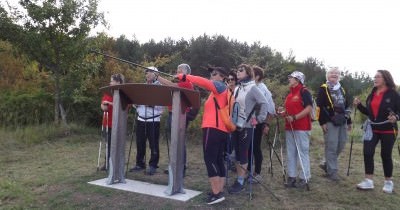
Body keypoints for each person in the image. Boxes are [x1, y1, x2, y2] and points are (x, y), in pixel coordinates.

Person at [175, 66, 229, 204]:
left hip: (213, 129)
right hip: (221, 130)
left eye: (215, 73)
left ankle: (216, 193)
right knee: (217, 160)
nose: (212, 75)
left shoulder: (220, 87)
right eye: (211, 73)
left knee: (210, 160)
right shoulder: (219, 91)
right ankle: (219, 191)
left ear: (222, 77)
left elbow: (203, 82)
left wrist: (185, 77)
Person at [353, 70, 400, 193]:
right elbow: (369, 112)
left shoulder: (393, 94)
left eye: (378, 77)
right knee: (367, 152)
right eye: (374, 77)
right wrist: (359, 105)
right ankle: (368, 181)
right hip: (372, 128)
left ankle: (388, 182)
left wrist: (396, 117)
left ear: (385, 79)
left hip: (388, 130)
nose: (375, 78)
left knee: (385, 155)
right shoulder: (372, 93)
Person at [228, 64, 268, 194]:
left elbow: (264, 103)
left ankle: (240, 180)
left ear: (248, 73)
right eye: (237, 70)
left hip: (247, 126)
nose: (238, 72)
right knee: (237, 154)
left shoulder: (252, 88)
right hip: (235, 125)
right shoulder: (238, 87)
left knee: (243, 155)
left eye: (241, 70)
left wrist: (259, 119)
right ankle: (240, 178)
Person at [316, 67, 352, 181]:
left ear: (339, 76)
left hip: (342, 120)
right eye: (332, 73)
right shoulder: (323, 88)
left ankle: (326, 163)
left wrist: (349, 121)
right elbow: (319, 106)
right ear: (327, 75)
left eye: (337, 73)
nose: (334, 75)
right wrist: (322, 122)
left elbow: (346, 106)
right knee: (331, 146)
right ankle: (332, 172)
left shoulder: (342, 89)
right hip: (329, 120)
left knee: (341, 144)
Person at [157, 64, 194, 176]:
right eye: (177, 70)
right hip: (172, 112)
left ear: (185, 73)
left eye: (179, 71)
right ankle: (174, 165)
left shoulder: (187, 82)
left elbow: (172, 85)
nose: (177, 72)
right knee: (174, 141)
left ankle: (181, 167)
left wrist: (158, 77)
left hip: (180, 114)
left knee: (179, 141)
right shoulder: (180, 81)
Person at [278, 71, 312, 188]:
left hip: (302, 127)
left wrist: (295, 117)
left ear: (297, 80)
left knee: (302, 152)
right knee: (291, 152)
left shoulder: (304, 91)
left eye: (291, 78)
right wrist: (283, 112)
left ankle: (304, 177)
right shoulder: (289, 94)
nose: (289, 79)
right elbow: (289, 112)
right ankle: (292, 177)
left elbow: (308, 109)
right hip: (290, 127)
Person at [129, 67, 164, 175]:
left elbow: (163, 105)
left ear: (156, 74)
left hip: (153, 119)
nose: (148, 74)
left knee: (153, 144)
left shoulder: (160, 88)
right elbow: (134, 102)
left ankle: (153, 165)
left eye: (150, 72)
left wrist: (152, 105)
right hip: (141, 119)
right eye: (146, 72)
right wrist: (136, 104)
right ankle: (140, 163)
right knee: (140, 143)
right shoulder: (141, 86)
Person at [246, 65, 276, 183]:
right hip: (247, 122)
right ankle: (247, 171)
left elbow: (271, 108)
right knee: (248, 147)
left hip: (258, 122)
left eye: (251, 73)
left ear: (257, 76)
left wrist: (266, 124)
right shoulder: (249, 87)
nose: (248, 75)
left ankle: (257, 173)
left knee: (255, 147)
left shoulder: (263, 89)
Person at [100, 73, 125, 171]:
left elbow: (123, 106)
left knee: (116, 144)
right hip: (107, 122)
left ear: (118, 82)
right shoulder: (108, 92)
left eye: (112, 81)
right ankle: (107, 163)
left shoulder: (123, 92)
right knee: (108, 144)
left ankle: (115, 163)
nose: (110, 83)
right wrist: (104, 106)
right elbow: (102, 103)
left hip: (117, 123)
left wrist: (109, 103)